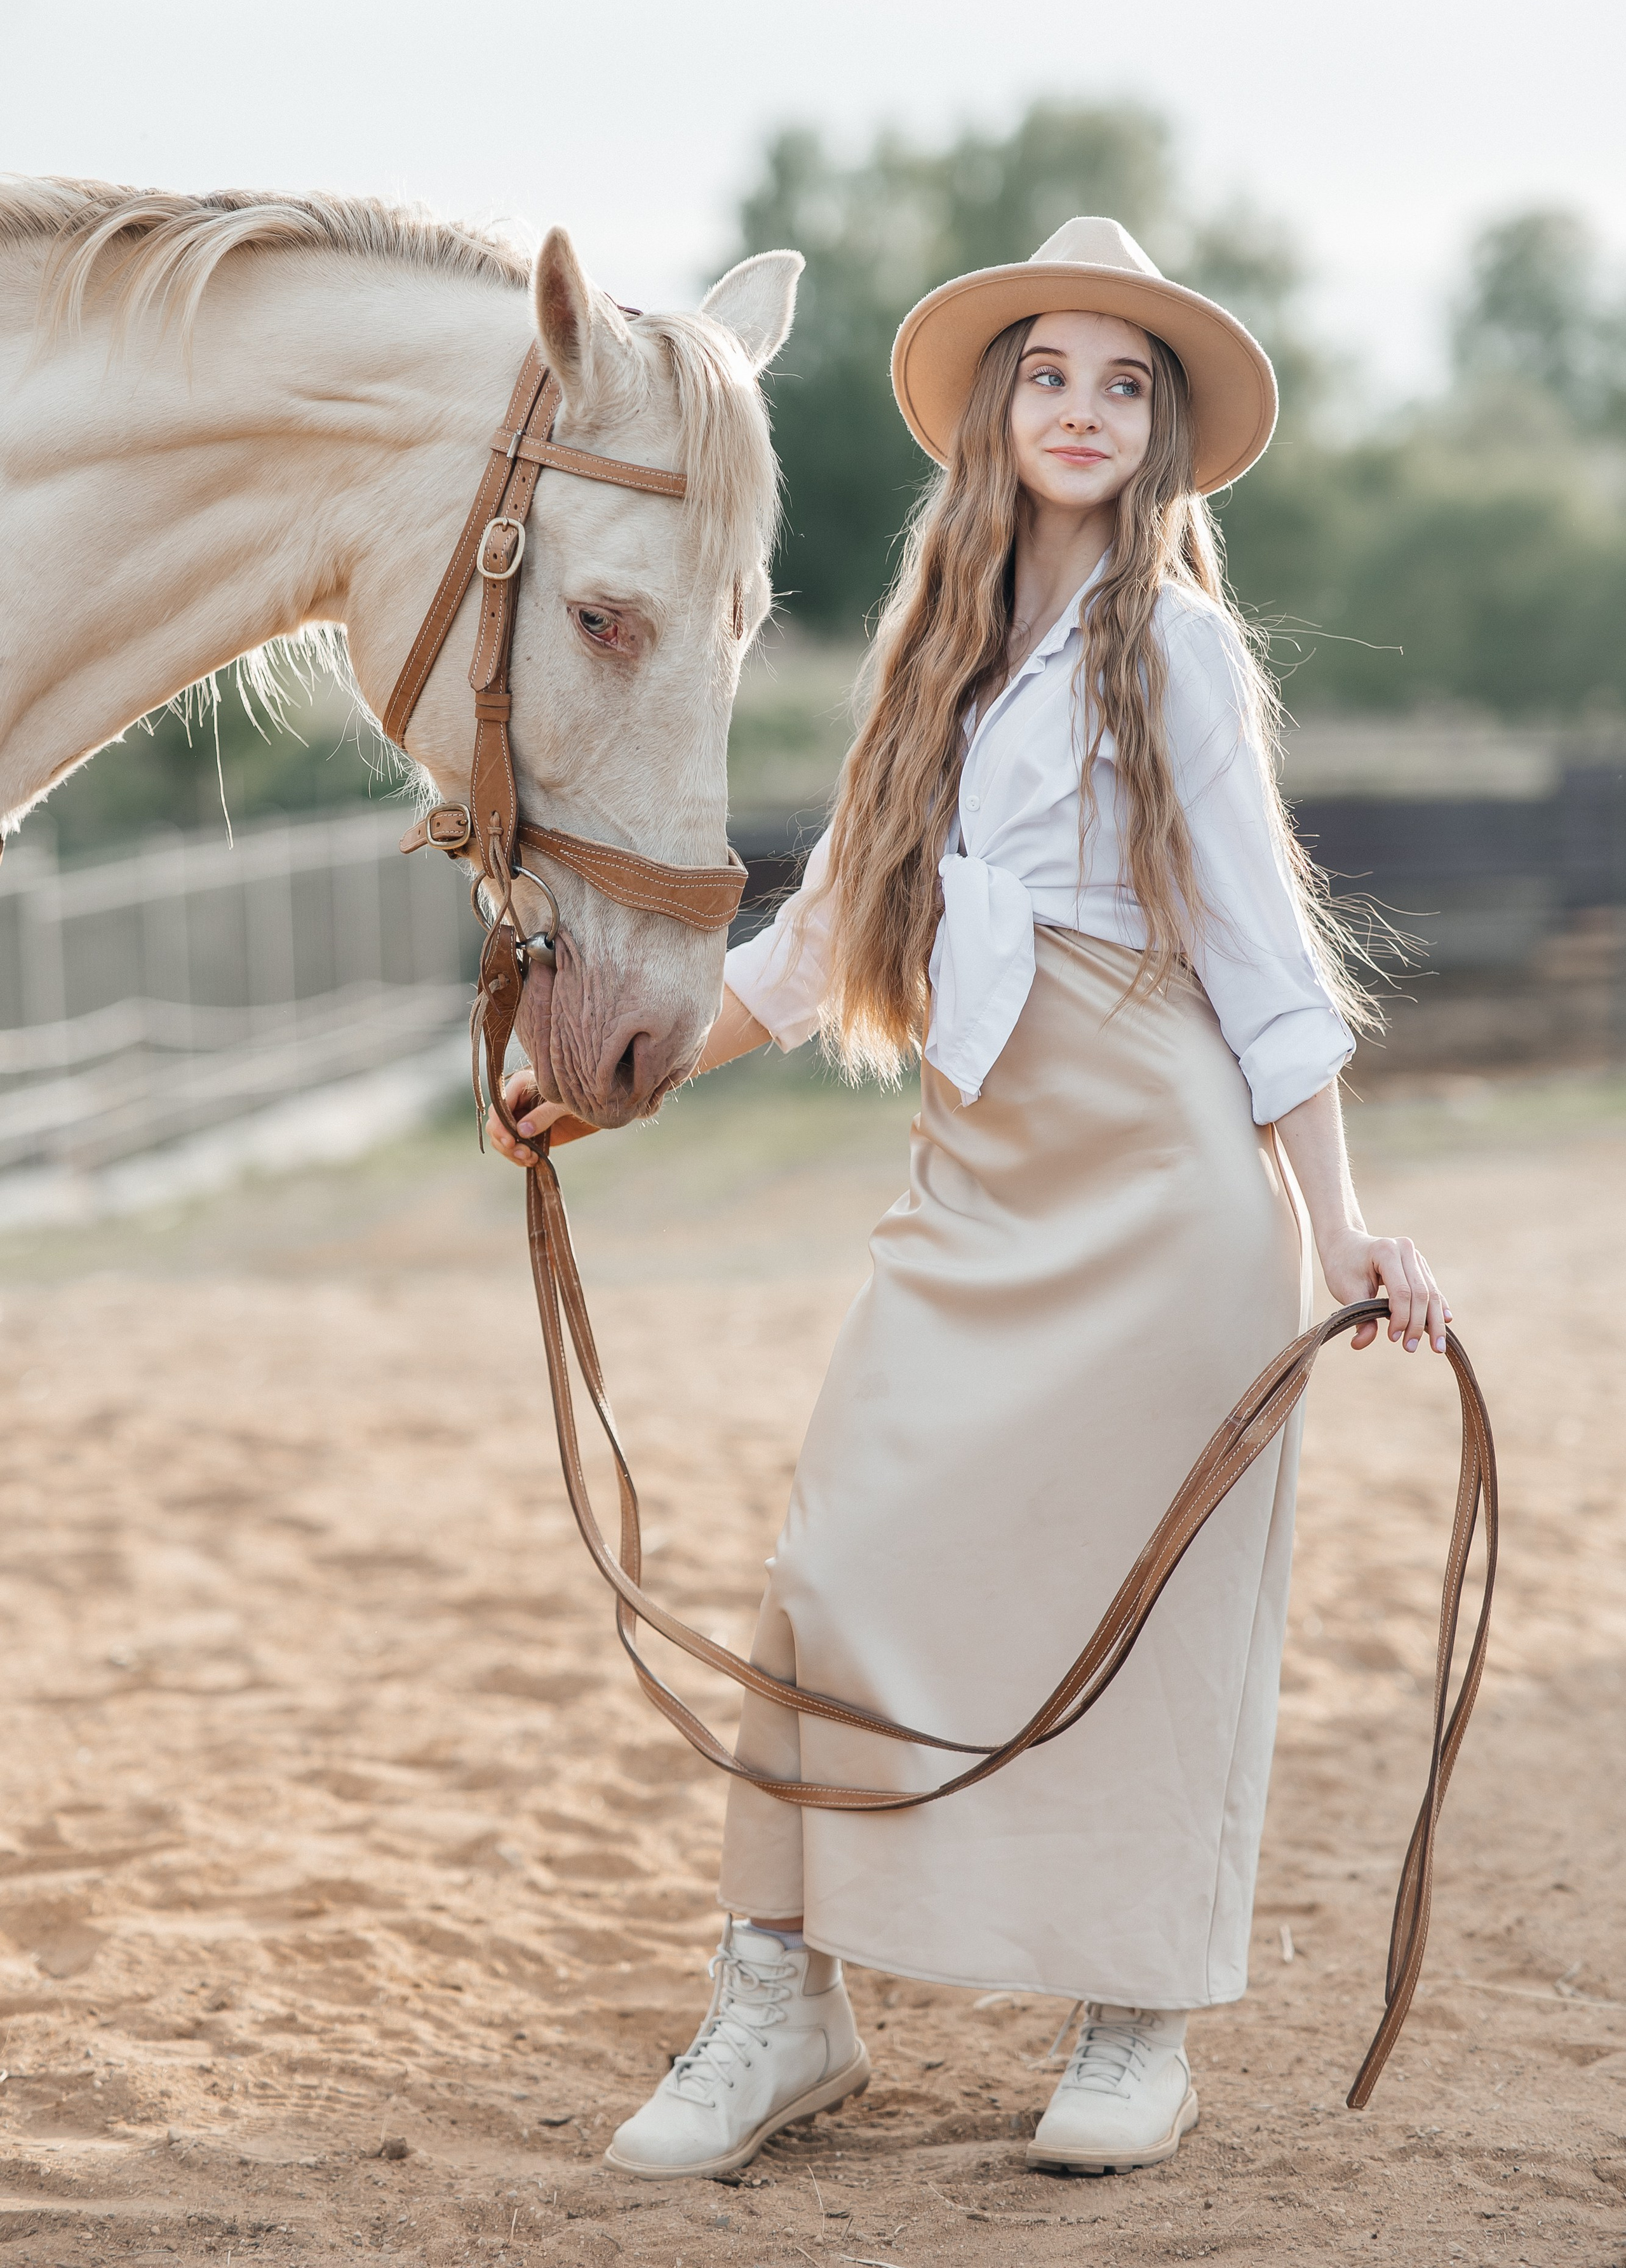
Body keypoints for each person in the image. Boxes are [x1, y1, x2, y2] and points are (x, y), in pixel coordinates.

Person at [490, 219, 1451, 2183]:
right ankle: (783, 2000)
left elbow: (1269, 968)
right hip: (978, 1183)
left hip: (1169, 1193)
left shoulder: (1177, 646)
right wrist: (611, 1087)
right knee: (839, 1566)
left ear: (1158, 428)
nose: (1082, 410)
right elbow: (824, 931)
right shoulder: (934, 649)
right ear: (998, 414)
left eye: (1122, 383)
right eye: (1049, 375)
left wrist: (1342, 1226)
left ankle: (1133, 2021)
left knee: (1147, 1615)